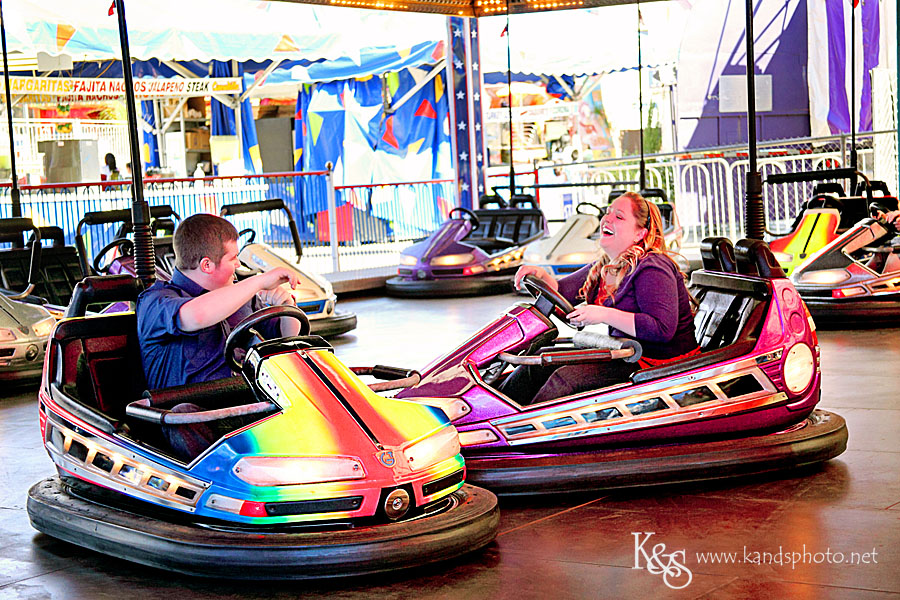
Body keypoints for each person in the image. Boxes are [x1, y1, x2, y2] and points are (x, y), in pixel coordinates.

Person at [502, 192, 698, 405]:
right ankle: (489, 416)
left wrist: (604, 314)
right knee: (539, 360)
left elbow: (661, 330)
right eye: (608, 212)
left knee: (566, 378)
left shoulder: (652, 267)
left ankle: (524, 433)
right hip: (626, 352)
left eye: (619, 217)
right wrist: (541, 275)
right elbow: (561, 291)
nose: (607, 218)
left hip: (658, 364)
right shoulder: (606, 265)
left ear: (640, 233)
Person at [137, 214, 301, 459]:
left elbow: (285, 340)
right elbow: (197, 315)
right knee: (183, 415)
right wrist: (258, 282)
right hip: (195, 416)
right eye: (233, 258)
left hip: (245, 405)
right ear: (206, 265)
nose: (238, 266)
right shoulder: (156, 301)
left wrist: (286, 304)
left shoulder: (240, 296)